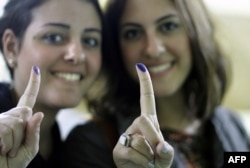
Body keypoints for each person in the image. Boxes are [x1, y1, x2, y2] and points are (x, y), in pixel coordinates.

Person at [63, 0, 250, 167]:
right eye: (133, 33)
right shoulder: (92, 142)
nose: (152, 49)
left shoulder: (230, 123)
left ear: (196, 32)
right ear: (116, 47)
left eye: (168, 26)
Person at [0, 0, 104, 167]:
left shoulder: (68, 147)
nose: (77, 55)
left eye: (91, 41)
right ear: (11, 47)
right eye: (53, 37)